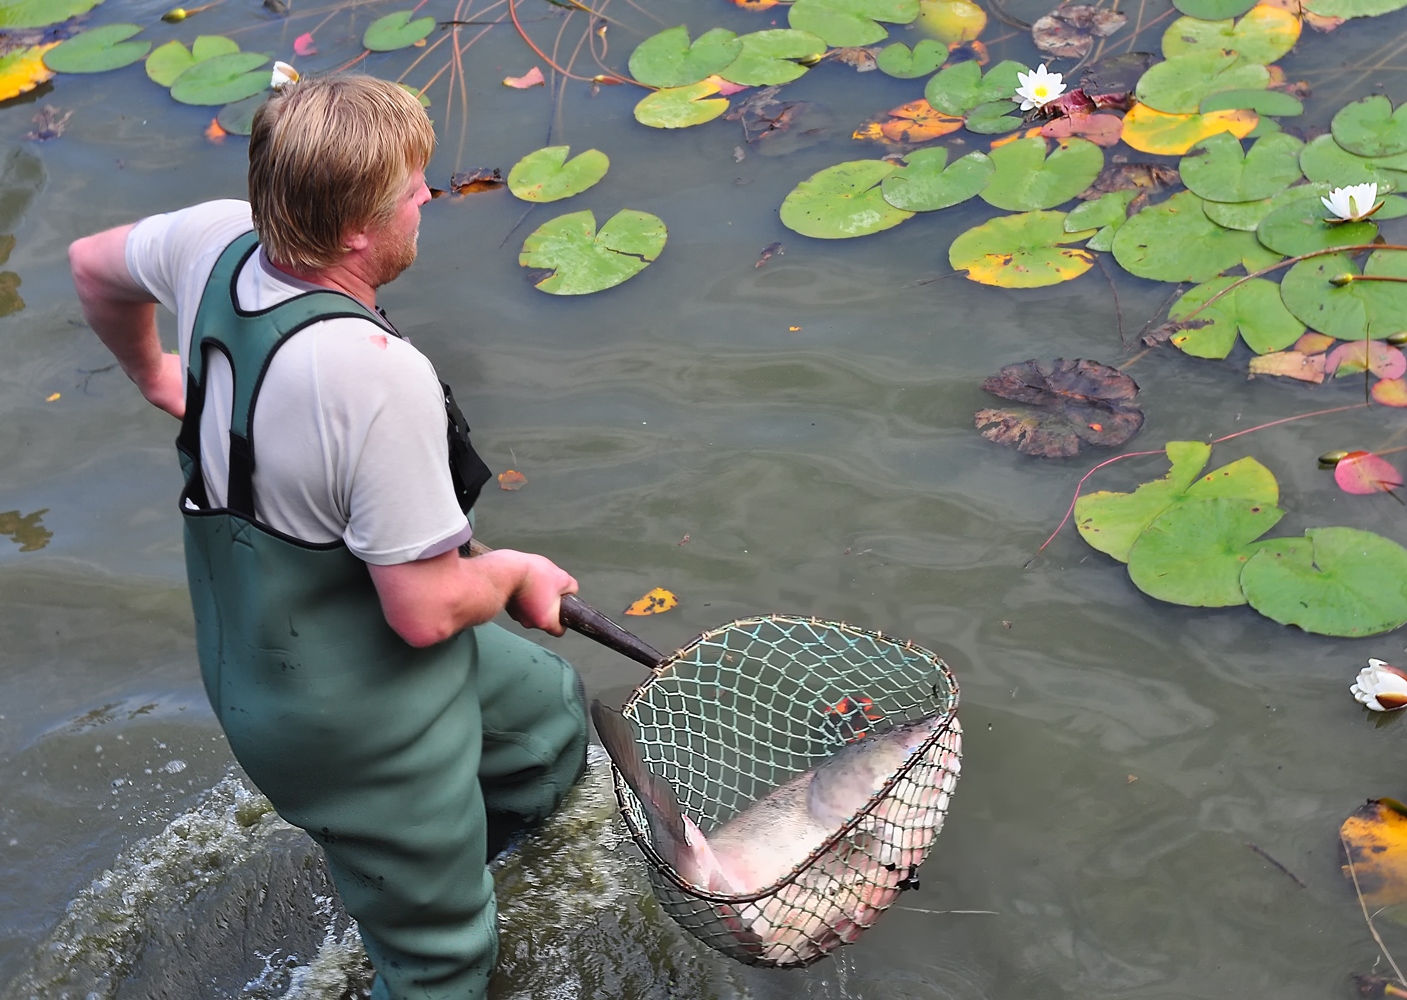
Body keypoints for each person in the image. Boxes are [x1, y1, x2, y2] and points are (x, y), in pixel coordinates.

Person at [66, 74, 589, 1000]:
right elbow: (426, 611)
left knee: (543, 724)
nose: (428, 197)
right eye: (411, 191)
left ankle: (441, 859)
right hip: (349, 717)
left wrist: (157, 375)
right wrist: (514, 572)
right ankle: (419, 898)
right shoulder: (372, 375)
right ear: (355, 230)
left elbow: (90, 265)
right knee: (444, 970)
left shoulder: (218, 236)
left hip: (263, 643)